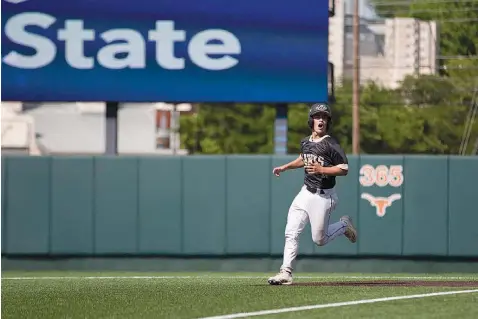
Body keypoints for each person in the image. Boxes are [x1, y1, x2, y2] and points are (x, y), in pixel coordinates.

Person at [267, 103, 357, 285]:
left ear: (328, 121)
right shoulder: (306, 142)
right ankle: (286, 272)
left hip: (324, 196)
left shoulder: (331, 144)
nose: (321, 120)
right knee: (291, 232)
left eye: (324, 117)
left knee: (319, 240)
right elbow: (303, 158)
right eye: (317, 116)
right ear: (311, 120)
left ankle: (343, 225)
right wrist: (286, 167)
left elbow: (344, 168)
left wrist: (321, 168)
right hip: (305, 193)